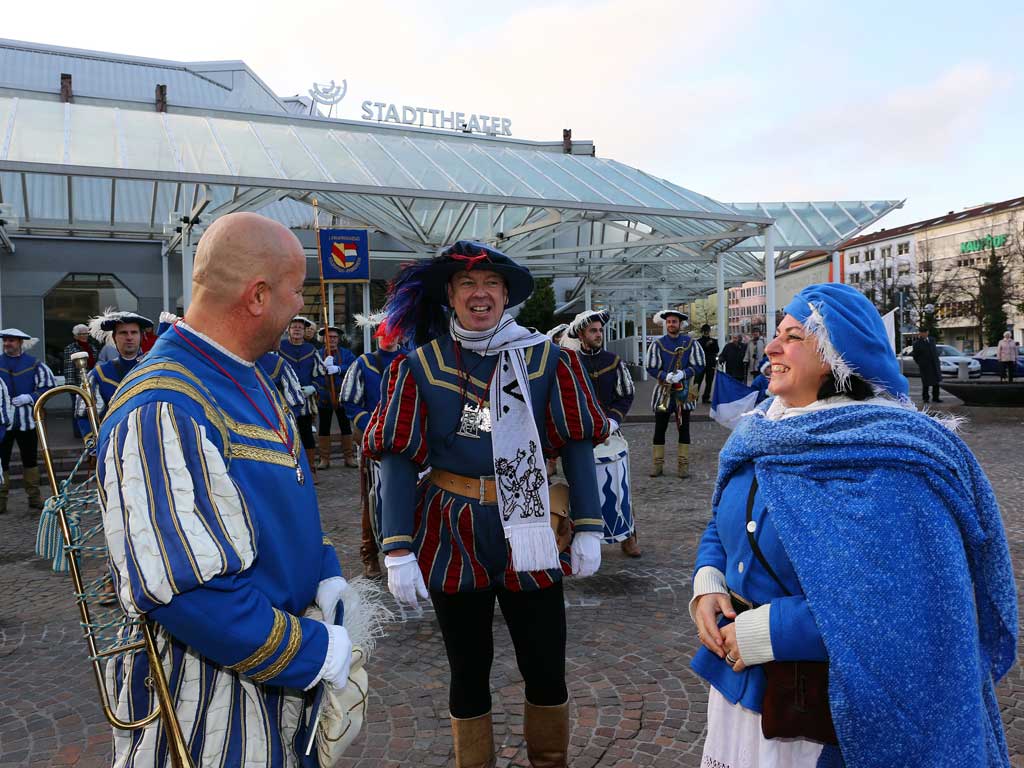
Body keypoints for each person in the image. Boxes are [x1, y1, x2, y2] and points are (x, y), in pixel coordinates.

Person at [690, 282, 1016, 767]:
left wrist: (769, 631)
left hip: (827, 713)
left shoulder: (889, 456)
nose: (772, 347)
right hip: (742, 693)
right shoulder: (764, 430)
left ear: (838, 356)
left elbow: (902, 604)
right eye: (776, 333)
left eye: (794, 336)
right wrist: (709, 578)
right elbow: (725, 519)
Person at [95, 212, 359, 766]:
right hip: (212, 706)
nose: (299, 307)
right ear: (258, 296)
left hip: (269, 688)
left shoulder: (248, 373)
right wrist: (314, 651)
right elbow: (188, 591)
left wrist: (324, 570)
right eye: (295, 291)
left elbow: (274, 496)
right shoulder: (165, 402)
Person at [364, 240, 608, 768]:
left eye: (491, 284)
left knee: (545, 666)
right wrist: (397, 547)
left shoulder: (548, 358)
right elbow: (398, 459)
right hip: (451, 529)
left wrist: (589, 524)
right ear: (450, 296)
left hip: (533, 528)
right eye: (468, 285)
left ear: (505, 295)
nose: (481, 294)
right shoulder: (418, 366)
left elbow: (578, 441)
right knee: (467, 671)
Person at [564, 309, 640, 557]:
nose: (598, 335)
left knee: (620, 485)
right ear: (581, 335)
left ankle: (629, 536)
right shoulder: (569, 362)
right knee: (581, 489)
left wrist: (613, 421)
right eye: (593, 331)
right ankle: (579, 539)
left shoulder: (613, 361)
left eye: (600, 330)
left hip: (610, 432)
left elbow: (626, 394)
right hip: (581, 436)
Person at [340, 313, 405, 579]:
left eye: (394, 336)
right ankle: (370, 555)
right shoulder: (363, 363)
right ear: (377, 336)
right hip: (373, 442)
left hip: (405, 440)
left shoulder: (410, 361)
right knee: (372, 498)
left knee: (408, 499)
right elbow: (349, 400)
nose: (389, 341)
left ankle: (405, 552)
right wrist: (371, 424)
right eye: (384, 336)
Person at [0, 328, 55, 513]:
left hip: (27, 422)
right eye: (5, 340)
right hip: (2, 422)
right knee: (1, 461)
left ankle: (34, 496)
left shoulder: (34, 365)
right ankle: (1, 499)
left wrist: (30, 397)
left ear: (20, 343)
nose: (7, 344)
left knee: (30, 460)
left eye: (11, 341)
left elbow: (48, 387)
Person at [645, 309, 704, 479]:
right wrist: (665, 376)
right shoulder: (657, 344)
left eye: (674, 322)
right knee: (659, 428)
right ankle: (657, 464)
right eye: (669, 322)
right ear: (665, 324)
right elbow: (650, 366)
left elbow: (699, 364)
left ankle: (683, 465)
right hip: (663, 390)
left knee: (684, 428)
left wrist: (683, 374)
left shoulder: (690, 342)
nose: (671, 324)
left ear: (680, 324)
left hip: (683, 392)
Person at [75, 310, 153, 437]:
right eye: (123, 333)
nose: (129, 337)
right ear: (114, 338)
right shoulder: (99, 374)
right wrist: (94, 445)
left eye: (134, 332)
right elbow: (84, 416)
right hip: (113, 446)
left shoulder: (154, 368)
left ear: (141, 336)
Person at [279, 316, 327, 482]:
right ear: (288, 330)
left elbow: (321, 374)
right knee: (287, 434)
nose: (297, 330)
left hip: (306, 402)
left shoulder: (311, 350)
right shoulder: (280, 348)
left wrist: (313, 387)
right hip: (284, 401)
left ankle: (311, 469)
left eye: (300, 327)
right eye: (294, 327)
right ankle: (289, 469)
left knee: (306, 434)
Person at [318, 325, 358, 469]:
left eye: (334, 337)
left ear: (339, 339)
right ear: (324, 339)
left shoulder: (346, 354)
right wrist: (323, 368)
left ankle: (349, 457)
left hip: (342, 396)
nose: (332, 340)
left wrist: (339, 368)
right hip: (324, 396)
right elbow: (314, 373)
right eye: (329, 337)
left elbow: (354, 367)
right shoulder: (318, 354)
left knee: (345, 426)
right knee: (324, 427)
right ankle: (324, 459)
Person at [62, 323, 100, 438]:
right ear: (75, 336)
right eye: (81, 334)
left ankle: (92, 430)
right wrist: (71, 386)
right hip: (77, 384)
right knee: (77, 409)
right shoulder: (70, 348)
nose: (84, 336)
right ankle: (79, 433)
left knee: (92, 407)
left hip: (91, 383)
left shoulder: (92, 347)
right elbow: (69, 367)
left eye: (86, 334)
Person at [911, 326, 943, 404]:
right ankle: (925, 398)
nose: (924, 334)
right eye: (922, 333)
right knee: (926, 383)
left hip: (934, 365)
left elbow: (934, 351)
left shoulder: (932, 340)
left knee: (936, 382)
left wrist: (937, 361)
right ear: (920, 333)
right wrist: (921, 363)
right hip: (925, 366)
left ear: (927, 332)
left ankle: (936, 397)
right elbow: (915, 355)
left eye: (925, 332)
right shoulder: (917, 343)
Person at [695, 324, 719, 403]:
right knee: (697, 381)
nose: (706, 332)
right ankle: (694, 398)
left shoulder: (714, 341)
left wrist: (711, 344)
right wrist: (706, 345)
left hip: (710, 364)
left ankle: (706, 397)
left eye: (707, 331)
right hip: (700, 364)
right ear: (702, 332)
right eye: (705, 331)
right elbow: (697, 351)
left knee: (709, 382)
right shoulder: (698, 341)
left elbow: (716, 350)